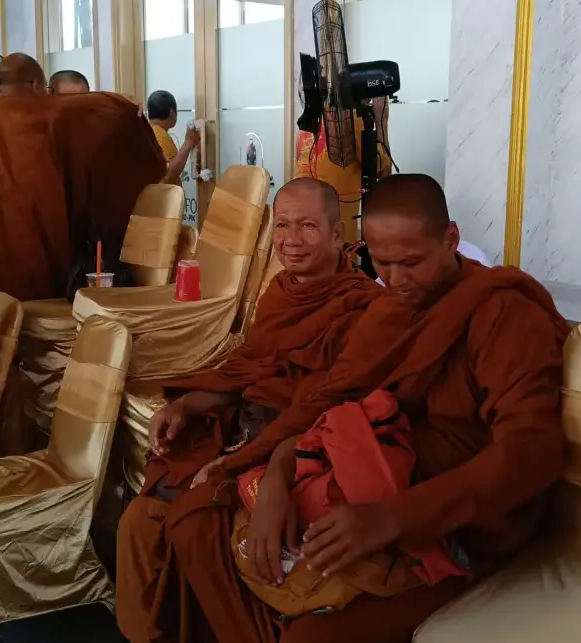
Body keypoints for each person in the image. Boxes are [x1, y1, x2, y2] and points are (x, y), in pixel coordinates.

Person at [121, 173, 571, 642]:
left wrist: (391, 518)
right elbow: (328, 401)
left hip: (461, 528)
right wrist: (267, 468)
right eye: (383, 263)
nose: (397, 280)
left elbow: (530, 452)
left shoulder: (502, 314)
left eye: (412, 262)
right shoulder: (390, 311)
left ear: (451, 238)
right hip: (373, 481)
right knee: (198, 522)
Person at [115, 178, 384, 641]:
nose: (291, 240)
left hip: (290, 446)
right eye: (281, 225)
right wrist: (188, 403)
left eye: (307, 227)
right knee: (138, 522)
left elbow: (327, 407)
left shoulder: (362, 308)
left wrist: (238, 462)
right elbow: (252, 370)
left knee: (196, 525)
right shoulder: (281, 291)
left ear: (339, 235)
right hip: (241, 429)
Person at [0, 52, 165, 307]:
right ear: (38, 86)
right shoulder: (47, 116)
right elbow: (106, 117)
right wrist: (125, 107)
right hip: (36, 255)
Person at [294, 101, 392, 243]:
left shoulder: (306, 127)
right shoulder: (354, 124)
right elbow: (385, 174)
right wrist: (381, 120)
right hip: (336, 242)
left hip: (304, 234)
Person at [147, 89, 200, 186]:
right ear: (172, 113)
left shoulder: (148, 130)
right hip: (163, 197)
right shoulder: (160, 135)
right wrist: (188, 144)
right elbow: (169, 173)